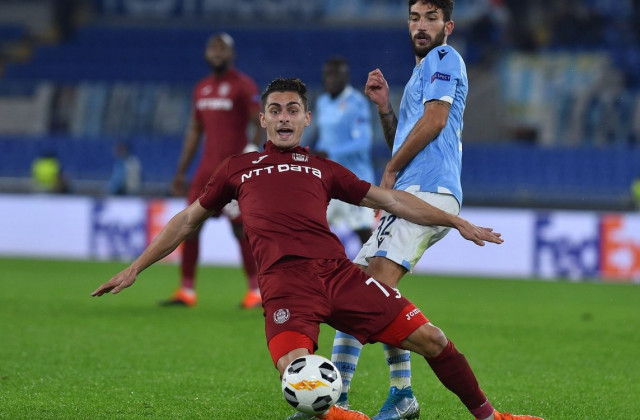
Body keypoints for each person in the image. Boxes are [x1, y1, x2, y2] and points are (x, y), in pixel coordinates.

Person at [91, 78, 542, 420]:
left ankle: (492, 417)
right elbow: (188, 220)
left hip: (340, 276)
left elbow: (391, 200)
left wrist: (456, 220)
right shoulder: (238, 168)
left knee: (434, 339)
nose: (284, 118)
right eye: (275, 111)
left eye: (292, 110)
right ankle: (332, 412)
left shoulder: (322, 168)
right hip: (285, 286)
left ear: (307, 119)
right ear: (263, 119)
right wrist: (136, 268)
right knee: (295, 370)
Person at [329, 1, 469, 418]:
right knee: (359, 288)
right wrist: (386, 108)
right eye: (414, 17)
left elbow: (437, 121)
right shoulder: (419, 75)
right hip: (414, 192)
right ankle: (358, 396)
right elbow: (405, 142)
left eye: (430, 18)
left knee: (368, 296)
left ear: (448, 26)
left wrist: (388, 171)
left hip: (426, 191)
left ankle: (354, 397)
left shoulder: (445, 57)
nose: (421, 26)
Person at [162, 32, 264, 309]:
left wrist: (252, 149)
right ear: (207, 54)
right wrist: (181, 171)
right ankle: (186, 291)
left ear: (232, 54)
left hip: (233, 172)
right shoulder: (202, 88)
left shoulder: (242, 86)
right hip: (205, 173)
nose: (217, 53)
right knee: (189, 227)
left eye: (223, 49)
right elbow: (195, 131)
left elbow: (259, 121)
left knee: (241, 229)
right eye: (212, 48)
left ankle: (255, 292)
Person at [312, 56, 376, 247]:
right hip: (330, 181)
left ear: (346, 76)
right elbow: (324, 138)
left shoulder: (356, 103)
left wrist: (329, 152)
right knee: (314, 229)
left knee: (363, 234)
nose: (330, 79)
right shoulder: (322, 102)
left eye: (335, 75)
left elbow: (363, 142)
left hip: (354, 180)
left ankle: (379, 274)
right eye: (327, 75)